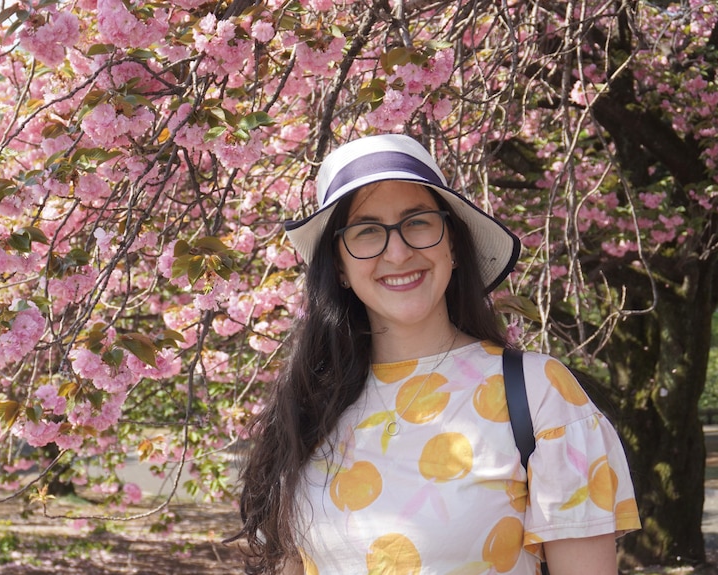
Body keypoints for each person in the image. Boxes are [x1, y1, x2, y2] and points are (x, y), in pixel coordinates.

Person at [232, 134, 641, 574]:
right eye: (367, 231)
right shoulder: (309, 408)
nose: (398, 251)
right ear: (341, 269)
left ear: (452, 244)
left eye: (418, 222)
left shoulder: (539, 393)